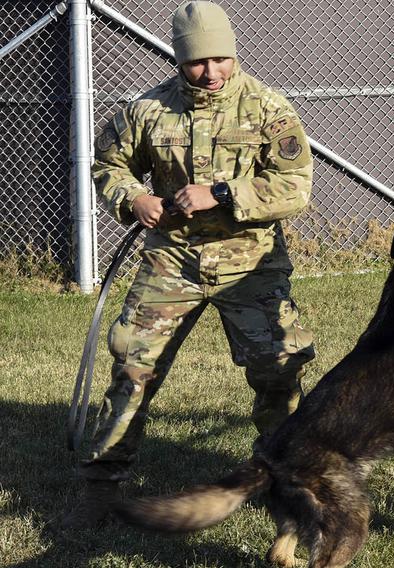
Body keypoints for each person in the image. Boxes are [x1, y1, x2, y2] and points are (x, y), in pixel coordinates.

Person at [62, 1, 316, 529]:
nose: (213, 72)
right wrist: (134, 199)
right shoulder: (147, 110)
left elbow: (295, 188)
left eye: (222, 59)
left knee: (279, 372)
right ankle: (102, 488)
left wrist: (222, 193)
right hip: (171, 261)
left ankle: (290, 481)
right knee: (132, 366)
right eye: (199, 62)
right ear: (180, 59)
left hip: (249, 264)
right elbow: (108, 164)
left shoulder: (270, 108)